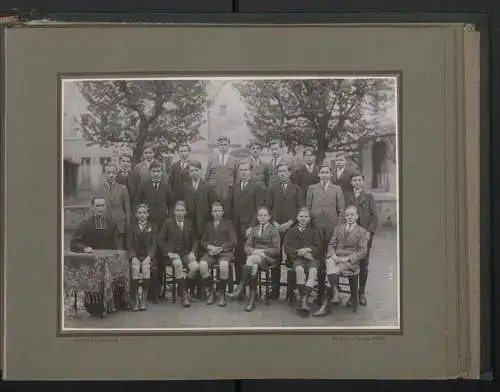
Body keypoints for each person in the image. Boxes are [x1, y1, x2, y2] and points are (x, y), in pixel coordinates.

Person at [69, 196, 123, 316]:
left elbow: (118, 240)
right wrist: (84, 248)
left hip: (110, 262)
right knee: (95, 307)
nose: (100, 208)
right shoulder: (86, 224)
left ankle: (112, 303)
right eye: (97, 206)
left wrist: (118, 250)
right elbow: (74, 242)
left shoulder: (112, 223)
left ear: (105, 207)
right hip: (93, 263)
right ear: (92, 207)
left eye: (102, 205)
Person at [313, 205, 368, 317]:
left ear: (357, 216)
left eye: (352, 214)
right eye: (347, 215)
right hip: (336, 258)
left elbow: (363, 251)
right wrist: (333, 255)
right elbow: (331, 244)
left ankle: (326, 305)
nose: (349, 217)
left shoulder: (362, 231)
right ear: (344, 216)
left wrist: (347, 258)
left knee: (332, 269)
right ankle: (335, 292)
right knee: (329, 261)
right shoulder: (338, 228)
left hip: (349, 262)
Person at [228, 207, 281, 312]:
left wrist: (261, 252)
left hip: (268, 259)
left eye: (265, 215)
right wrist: (252, 251)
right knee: (254, 266)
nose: (262, 217)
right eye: (260, 215)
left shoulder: (274, 230)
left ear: (269, 217)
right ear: (257, 217)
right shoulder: (254, 229)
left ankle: (241, 287)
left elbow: (277, 250)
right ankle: (251, 299)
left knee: (251, 260)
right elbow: (246, 246)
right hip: (255, 257)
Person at [265, 163, 305, 300]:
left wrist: (290, 222)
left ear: (289, 173)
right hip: (276, 228)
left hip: (291, 228)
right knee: (275, 257)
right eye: (279, 171)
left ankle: (291, 290)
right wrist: (274, 222)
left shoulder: (297, 189)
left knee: (292, 257)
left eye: (284, 171)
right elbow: (268, 209)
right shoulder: (273, 189)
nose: (281, 174)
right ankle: (274, 289)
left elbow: (300, 209)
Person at [134, 161, 172, 301]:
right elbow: (137, 203)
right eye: (153, 171)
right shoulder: (144, 185)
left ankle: (159, 290)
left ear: (162, 172)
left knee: (161, 258)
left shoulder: (166, 186)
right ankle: (147, 290)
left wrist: (169, 221)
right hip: (147, 226)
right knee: (148, 254)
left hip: (162, 226)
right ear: (150, 173)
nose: (156, 174)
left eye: (158, 171)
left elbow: (171, 204)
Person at [344, 172, 378, 306]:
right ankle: (352, 296)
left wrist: (369, 232)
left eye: (359, 180)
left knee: (363, 264)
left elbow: (374, 216)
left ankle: (361, 292)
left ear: (363, 182)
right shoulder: (347, 196)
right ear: (351, 182)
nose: (357, 183)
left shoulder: (369, 197)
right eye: (354, 180)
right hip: (350, 234)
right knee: (351, 262)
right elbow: (343, 213)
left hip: (364, 235)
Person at [157, 201, 199, 308]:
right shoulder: (168, 223)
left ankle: (183, 286)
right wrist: (168, 253)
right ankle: (184, 295)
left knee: (195, 267)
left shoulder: (189, 223)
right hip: (173, 254)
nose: (180, 213)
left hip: (185, 253)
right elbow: (160, 239)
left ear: (185, 212)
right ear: (174, 212)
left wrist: (193, 252)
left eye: (182, 211)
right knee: (177, 264)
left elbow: (195, 240)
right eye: (177, 211)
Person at [229, 161, 266, 283]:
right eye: (241, 170)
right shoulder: (235, 185)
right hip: (236, 226)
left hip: (250, 226)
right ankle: (239, 285)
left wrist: (251, 226)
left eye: (246, 170)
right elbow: (232, 206)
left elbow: (258, 208)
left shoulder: (257, 186)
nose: (243, 172)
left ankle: (250, 284)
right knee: (238, 255)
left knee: (249, 255)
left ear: (251, 171)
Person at [283, 207, 323, 316]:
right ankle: (304, 300)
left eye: (306, 216)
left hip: (311, 258)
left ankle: (303, 300)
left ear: (309, 218)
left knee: (313, 271)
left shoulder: (314, 230)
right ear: (297, 218)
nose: (303, 218)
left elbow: (318, 247)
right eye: (301, 216)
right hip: (297, 258)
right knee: (299, 270)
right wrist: (298, 252)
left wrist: (308, 250)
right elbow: (287, 247)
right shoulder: (291, 230)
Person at [199, 202, 237, 307]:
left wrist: (221, 248)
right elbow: (203, 241)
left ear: (223, 212)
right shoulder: (208, 225)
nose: (217, 213)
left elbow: (234, 240)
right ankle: (211, 292)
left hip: (224, 252)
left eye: (219, 211)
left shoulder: (228, 223)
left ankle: (222, 293)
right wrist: (209, 247)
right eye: (214, 211)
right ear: (211, 213)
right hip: (211, 253)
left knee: (224, 265)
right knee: (202, 265)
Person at [306, 164, 345, 252]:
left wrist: (339, 225)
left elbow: (341, 210)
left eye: (327, 172)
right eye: (322, 172)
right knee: (317, 247)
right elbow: (308, 207)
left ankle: (329, 265)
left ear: (331, 174)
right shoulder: (312, 188)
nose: (324, 175)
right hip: (316, 222)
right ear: (318, 174)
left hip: (332, 223)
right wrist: (309, 223)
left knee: (330, 247)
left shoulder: (337, 189)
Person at [127, 204, 158, 311]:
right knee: (135, 268)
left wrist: (149, 257)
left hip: (147, 256)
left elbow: (154, 244)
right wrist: (133, 256)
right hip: (136, 256)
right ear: (136, 215)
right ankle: (135, 299)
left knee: (146, 268)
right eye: (139, 213)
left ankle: (143, 299)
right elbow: (129, 245)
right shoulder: (131, 227)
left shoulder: (152, 227)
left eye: (144, 213)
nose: (142, 215)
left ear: (148, 214)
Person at [178, 160, 214, 239]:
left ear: (201, 171)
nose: (194, 173)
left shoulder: (208, 186)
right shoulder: (185, 186)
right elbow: (181, 202)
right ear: (189, 172)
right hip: (189, 220)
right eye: (191, 171)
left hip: (203, 221)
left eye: (196, 170)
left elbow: (212, 204)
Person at [98, 163, 131, 249]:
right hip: (105, 225)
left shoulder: (123, 188)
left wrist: (127, 226)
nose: (111, 175)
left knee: (120, 252)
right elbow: (94, 209)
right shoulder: (98, 189)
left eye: (113, 173)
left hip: (120, 226)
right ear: (104, 174)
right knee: (105, 251)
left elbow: (128, 210)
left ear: (116, 174)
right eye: (108, 173)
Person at [205, 136, 238, 211]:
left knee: (227, 211)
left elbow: (236, 177)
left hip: (228, 190)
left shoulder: (234, 160)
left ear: (228, 146)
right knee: (214, 210)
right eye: (221, 144)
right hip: (214, 190)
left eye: (225, 145)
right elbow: (207, 176)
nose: (223, 147)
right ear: (218, 146)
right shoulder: (211, 160)